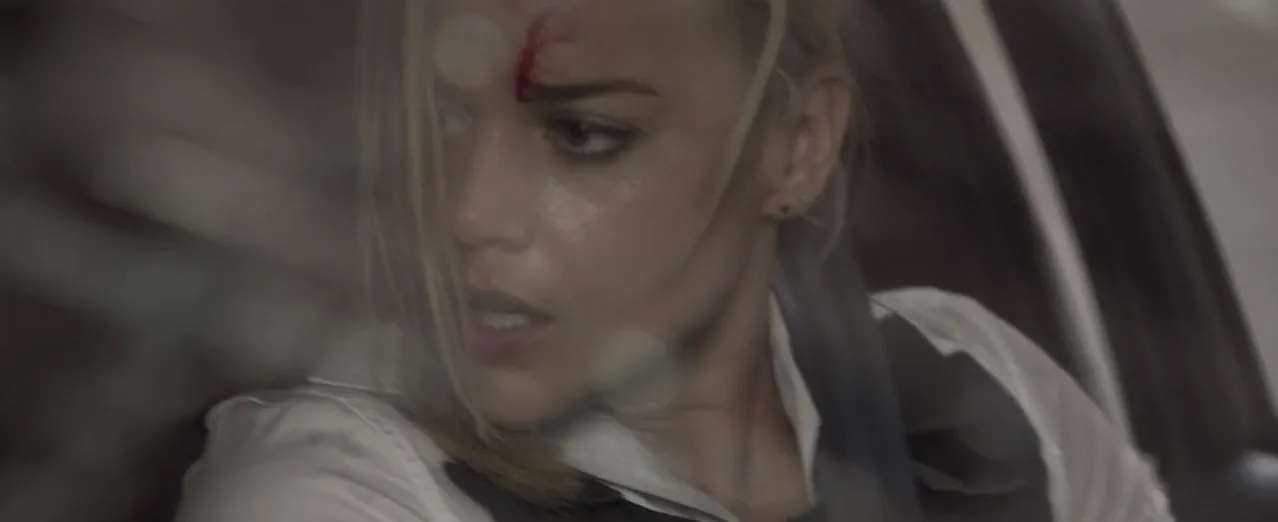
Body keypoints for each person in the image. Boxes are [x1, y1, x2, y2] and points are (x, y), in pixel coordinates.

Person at [174, 0, 1174, 521]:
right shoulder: (336, 482)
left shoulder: (975, 391)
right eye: (437, 125)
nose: (466, 212)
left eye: (584, 134)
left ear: (797, 146)